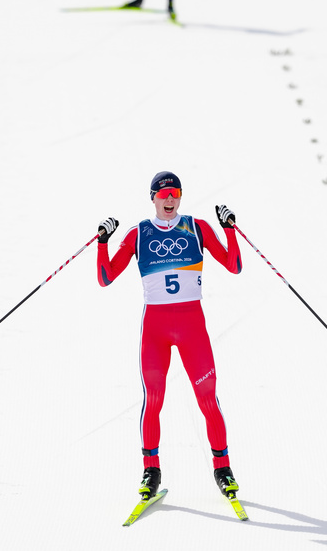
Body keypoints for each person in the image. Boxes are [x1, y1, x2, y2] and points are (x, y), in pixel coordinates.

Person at [96, 171, 242, 501]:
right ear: (153, 199)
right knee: (153, 400)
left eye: (175, 193)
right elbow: (106, 277)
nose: (170, 199)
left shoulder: (197, 228)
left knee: (208, 399)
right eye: (163, 195)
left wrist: (229, 229)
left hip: (193, 328)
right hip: (156, 331)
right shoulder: (138, 234)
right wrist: (103, 241)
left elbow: (233, 265)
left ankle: (223, 469)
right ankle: (151, 471)